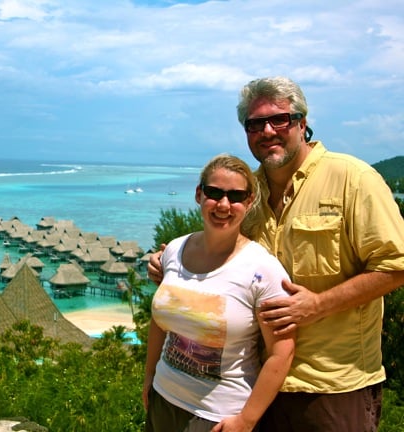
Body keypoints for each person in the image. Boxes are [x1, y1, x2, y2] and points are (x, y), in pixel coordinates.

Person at [148, 76, 404, 432]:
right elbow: (225, 256)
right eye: (255, 124)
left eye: (279, 119)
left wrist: (318, 304)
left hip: (330, 385)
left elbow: (396, 266)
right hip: (258, 388)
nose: (267, 131)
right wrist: (173, 266)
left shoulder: (353, 179)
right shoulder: (248, 191)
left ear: (302, 122)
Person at [144, 154, 296, 432]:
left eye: (236, 196)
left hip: (217, 416)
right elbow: (160, 322)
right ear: (199, 195)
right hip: (164, 398)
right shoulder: (175, 250)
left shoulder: (263, 270)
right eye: (214, 193)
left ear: (249, 202)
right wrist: (149, 378)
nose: (224, 205)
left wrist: (247, 420)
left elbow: (282, 353)